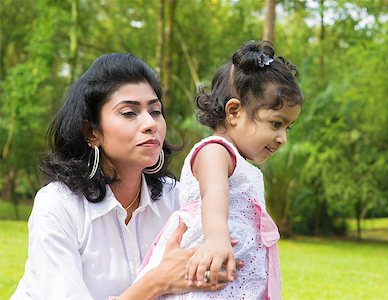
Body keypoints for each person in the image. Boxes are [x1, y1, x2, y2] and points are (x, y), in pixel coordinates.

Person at [11, 53, 237, 300]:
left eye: (155, 111)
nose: (150, 123)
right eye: (129, 112)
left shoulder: (176, 198)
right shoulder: (58, 205)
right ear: (91, 132)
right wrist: (156, 282)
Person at [135, 40, 304, 299]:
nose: (282, 138)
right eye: (275, 123)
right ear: (234, 111)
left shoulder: (238, 162)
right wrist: (216, 238)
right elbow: (214, 197)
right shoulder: (214, 151)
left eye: (287, 128)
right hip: (208, 270)